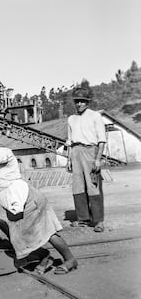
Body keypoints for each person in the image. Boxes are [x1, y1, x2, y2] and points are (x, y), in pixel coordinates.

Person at [0, 131, 78, 274]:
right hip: (14, 201)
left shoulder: (2, 153)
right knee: (20, 237)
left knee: (46, 233)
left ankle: (69, 259)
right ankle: (44, 257)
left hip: (28, 198)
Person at [66, 82, 106, 232]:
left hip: (90, 151)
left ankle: (98, 221)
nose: (79, 104)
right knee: (77, 186)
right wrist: (69, 159)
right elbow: (69, 141)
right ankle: (83, 218)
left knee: (93, 186)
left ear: (88, 102)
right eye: (77, 101)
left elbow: (101, 140)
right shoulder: (71, 119)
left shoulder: (95, 116)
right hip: (75, 152)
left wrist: (97, 159)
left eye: (82, 101)